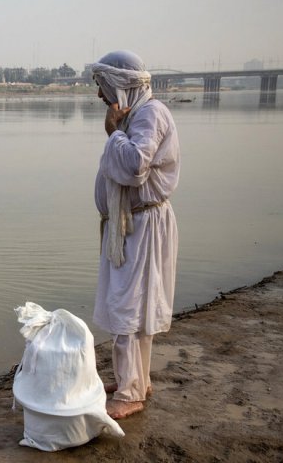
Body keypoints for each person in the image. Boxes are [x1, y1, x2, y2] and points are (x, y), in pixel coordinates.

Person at [90, 50, 180, 419]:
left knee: (129, 305)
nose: (100, 97)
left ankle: (130, 392)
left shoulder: (150, 114)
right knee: (131, 304)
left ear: (122, 85)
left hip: (142, 224)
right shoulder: (136, 115)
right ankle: (136, 380)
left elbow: (133, 166)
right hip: (133, 223)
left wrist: (112, 133)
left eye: (104, 88)